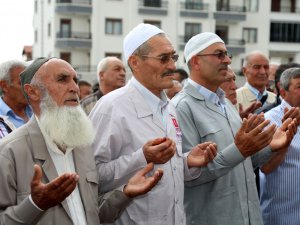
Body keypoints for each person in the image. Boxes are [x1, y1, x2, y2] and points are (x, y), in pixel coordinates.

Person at [0, 57, 164, 225]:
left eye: (75, 80)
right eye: (62, 79)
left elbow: (91, 215)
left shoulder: (82, 146)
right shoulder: (9, 152)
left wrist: (125, 193)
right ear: (33, 91)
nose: (75, 88)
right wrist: (35, 205)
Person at [89, 23, 218, 225]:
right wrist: (142, 157)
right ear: (135, 62)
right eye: (163, 58)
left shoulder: (169, 107)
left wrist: (187, 161)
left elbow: (166, 172)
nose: (172, 66)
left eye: (173, 57)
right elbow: (93, 176)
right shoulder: (111, 107)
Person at [171, 32, 296, 225]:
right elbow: (187, 176)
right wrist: (239, 150)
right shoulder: (181, 108)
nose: (228, 60)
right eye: (219, 54)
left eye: (227, 54)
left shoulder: (225, 103)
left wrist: (272, 146)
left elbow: (245, 162)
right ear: (196, 62)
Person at [260, 67, 300, 225]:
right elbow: (266, 167)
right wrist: (286, 141)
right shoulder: (269, 120)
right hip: (281, 211)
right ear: (283, 93)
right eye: (299, 87)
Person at [0, 59, 33, 128]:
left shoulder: (37, 108)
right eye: (22, 82)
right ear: (4, 86)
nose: (29, 88)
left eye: (30, 82)